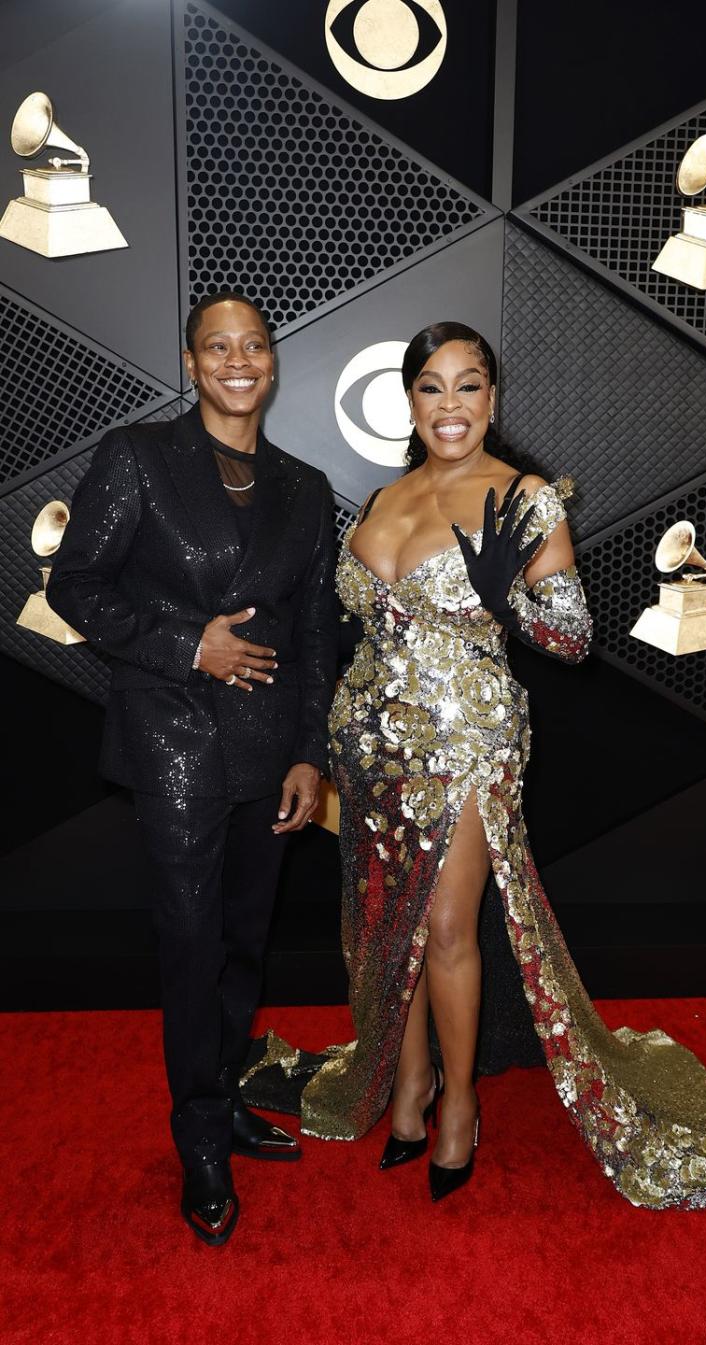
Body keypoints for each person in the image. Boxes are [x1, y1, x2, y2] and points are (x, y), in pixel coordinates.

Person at [241, 321, 706, 1265]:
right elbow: (359, 627)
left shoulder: (527, 498)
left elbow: (574, 639)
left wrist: (508, 603)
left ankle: (459, 1105)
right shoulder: (383, 496)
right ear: (407, 401)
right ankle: (405, 1086)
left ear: (494, 399)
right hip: (370, 746)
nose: (450, 405)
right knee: (384, 927)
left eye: (469, 386)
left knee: (448, 929)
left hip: (465, 740)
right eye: (431, 388)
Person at [47, 291, 339, 1247]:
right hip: (174, 740)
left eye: (254, 344)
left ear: (273, 362)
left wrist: (309, 754)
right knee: (191, 944)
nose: (238, 360)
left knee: (246, 943)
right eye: (218, 346)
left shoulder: (305, 488)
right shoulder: (139, 458)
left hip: (269, 756)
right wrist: (187, 644)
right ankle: (201, 1138)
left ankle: (222, 1098)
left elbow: (313, 639)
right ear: (189, 361)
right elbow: (74, 583)